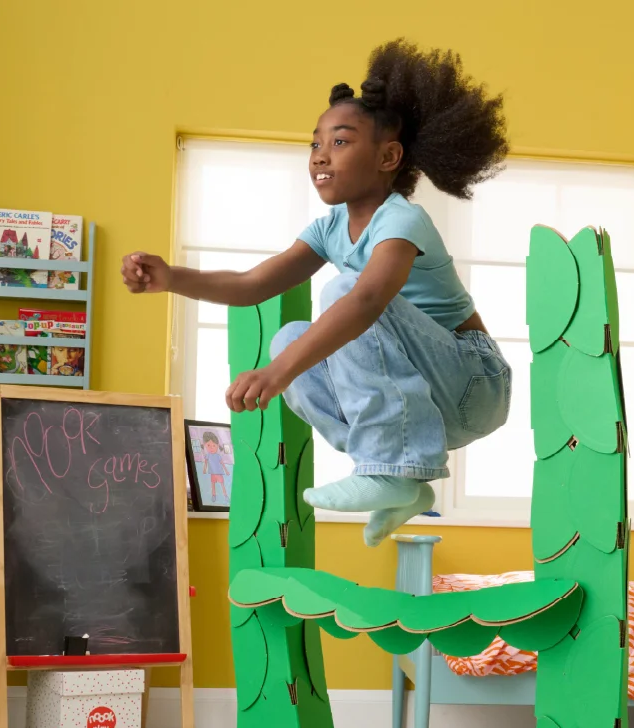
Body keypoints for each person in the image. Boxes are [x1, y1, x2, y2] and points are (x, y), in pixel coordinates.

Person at [121, 40, 511, 545]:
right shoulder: (330, 227)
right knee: (289, 339)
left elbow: (367, 301)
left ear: (388, 156)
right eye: (315, 144)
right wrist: (172, 277)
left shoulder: (402, 219)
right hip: (428, 403)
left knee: (342, 294)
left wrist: (277, 376)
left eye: (341, 142)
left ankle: (387, 468)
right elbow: (252, 285)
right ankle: (405, 481)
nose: (321, 155)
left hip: (472, 384)